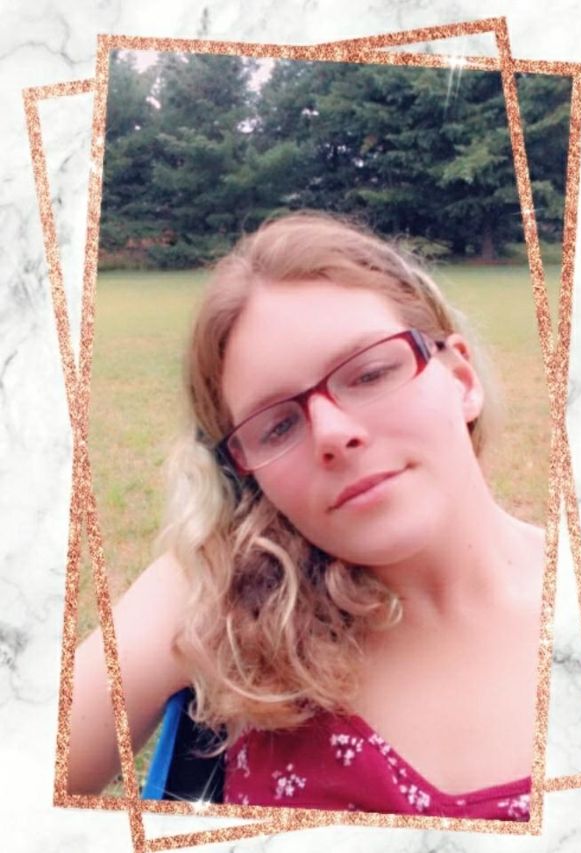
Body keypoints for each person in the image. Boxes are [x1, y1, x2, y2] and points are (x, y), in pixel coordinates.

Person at [68, 212, 544, 821]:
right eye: (277, 426)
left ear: (460, 379)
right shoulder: (215, 598)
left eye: (370, 373)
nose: (333, 432)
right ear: (245, 469)